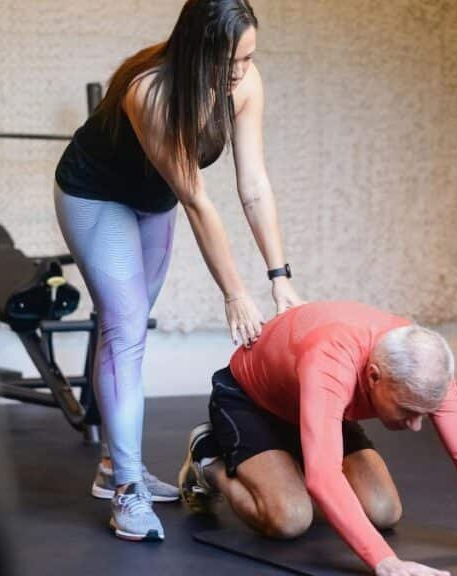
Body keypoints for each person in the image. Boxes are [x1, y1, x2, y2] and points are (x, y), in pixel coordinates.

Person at [54, 0, 302, 542]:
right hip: (97, 196)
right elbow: (198, 201)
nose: (241, 71)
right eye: (230, 60)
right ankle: (126, 491)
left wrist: (278, 276)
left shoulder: (245, 81)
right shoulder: (153, 92)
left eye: (248, 57)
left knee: (128, 328)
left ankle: (109, 468)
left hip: (154, 202)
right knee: (126, 328)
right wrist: (234, 293)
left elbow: (253, 184)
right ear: (197, 49)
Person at [178, 301, 457, 576]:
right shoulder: (332, 359)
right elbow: (323, 476)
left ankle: (286, 459)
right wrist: (384, 560)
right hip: (252, 399)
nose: (418, 426)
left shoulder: (424, 369)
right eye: (408, 412)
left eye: (426, 413)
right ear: (373, 377)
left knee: (383, 510)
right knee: (289, 518)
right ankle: (209, 459)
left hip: (316, 405)